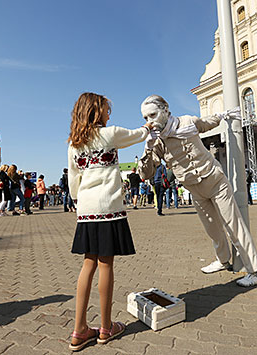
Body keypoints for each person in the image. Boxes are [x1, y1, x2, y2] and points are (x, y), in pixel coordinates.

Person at [137, 95, 257, 287]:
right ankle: (223, 261)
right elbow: (145, 174)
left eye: (153, 115)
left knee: (233, 225)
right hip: (194, 189)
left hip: (215, 181)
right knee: (212, 229)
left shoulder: (188, 122)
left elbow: (206, 123)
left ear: (165, 109)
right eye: (145, 118)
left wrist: (223, 115)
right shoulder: (156, 143)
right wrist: (147, 148)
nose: (150, 122)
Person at [67, 92, 152, 351]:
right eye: (106, 109)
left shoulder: (73, 144)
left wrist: (79, 202)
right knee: (106, 265)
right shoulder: (110, 133)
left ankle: (79, 329)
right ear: (96, 111)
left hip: (86, 209)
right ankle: (106, 327)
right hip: (109, 208)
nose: (109, 114)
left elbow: (73, 182)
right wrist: (149, 125)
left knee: (87, 264)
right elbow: (140, 134)